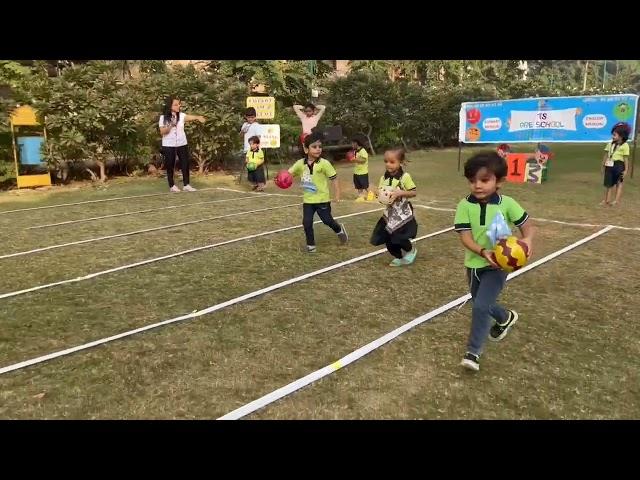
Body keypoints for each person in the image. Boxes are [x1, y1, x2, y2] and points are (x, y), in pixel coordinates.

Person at [453, 151, 535, 372]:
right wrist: (481, 251)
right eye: (472, 181)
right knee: (481, 303)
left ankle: (473, 352)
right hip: (474, 264)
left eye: (484, 180)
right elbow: (465, 236)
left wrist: (527, 243)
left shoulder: (508, 204)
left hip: (497, 266)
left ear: (499, 182)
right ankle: (505, 317)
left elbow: (526, 226)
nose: (477, 185)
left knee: (480, 306)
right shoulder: (464, 205)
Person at [288, 131, 348, 253]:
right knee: (307, 222)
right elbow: (289, 174)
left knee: (327, 221)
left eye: (320, 147)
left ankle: (339, 230)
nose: (318, 149)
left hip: (322, 200)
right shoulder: (300, 164)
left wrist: (337, 195)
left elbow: (334, 179)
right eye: (314, 147)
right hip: (308, 200)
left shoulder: (324, 164)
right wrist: (281, 178)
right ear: (306, 149)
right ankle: (311, 246)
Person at [370, 148, 418, 266]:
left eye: (392, 162)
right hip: (389, 214)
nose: (388, 164)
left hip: (402, 214)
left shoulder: (405, 177)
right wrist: (376, 192)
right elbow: (383, 195)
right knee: (387, 237)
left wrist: (400, 193)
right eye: (386, 161)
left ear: (400, 162)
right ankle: (399, 256)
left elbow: (413, 192)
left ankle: (411, 250)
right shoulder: (383, 178)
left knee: (398, 236)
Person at [159, 96, 205, 192]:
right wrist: (171, 125)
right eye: (176, 104)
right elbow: (162, 131)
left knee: (185, 163)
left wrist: (198, 117)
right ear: (170, 106)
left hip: (182, 143)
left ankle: (186, 184)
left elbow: (190, 117)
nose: (178, 106)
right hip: (168, 144)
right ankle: (172, 186)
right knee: (170, 165)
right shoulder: (163, 117)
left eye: (179, 104)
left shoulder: (182, 116)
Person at [601, 122, 631, 206]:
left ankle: (616, 201)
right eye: (612, 134)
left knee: (619, 183)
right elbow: (606, 155)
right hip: (609, 165)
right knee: (608, 184)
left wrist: (625, 170)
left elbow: (625, 159)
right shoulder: (610, 144)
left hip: (619, 166)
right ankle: (606, 200)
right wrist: (603, 165)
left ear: (621, 136)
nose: (612, 136)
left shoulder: (625, 146)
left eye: (614, 135)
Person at [351, 134, 373, 202]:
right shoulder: (355, 151)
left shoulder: (362, 151)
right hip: (356, 171)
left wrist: (355, 160)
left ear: (356, 143)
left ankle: (370, 194)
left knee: (365, 186)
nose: (352, 144)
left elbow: (363, 160)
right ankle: (361, 197)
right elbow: (356, 159)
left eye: (353, 143)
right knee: (358, 186)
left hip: (363, 172)